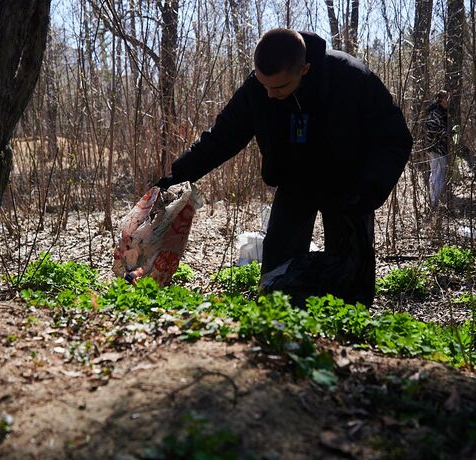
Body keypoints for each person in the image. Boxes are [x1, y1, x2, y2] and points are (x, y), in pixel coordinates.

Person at [156, 28, 412, 306]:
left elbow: (394, 138)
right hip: (295, 181)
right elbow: (221, 139)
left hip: (350, 186)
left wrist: (370, 190)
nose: (268, 94)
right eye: (262, 83)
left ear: (305, 69)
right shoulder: (259, 87)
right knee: (276, 277)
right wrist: (174, 178)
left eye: (278, 88)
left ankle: (345, 337)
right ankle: (280, 334)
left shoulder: (350, 79)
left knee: (350, 278)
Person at [424, 90, 449, 209]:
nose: (448, 101)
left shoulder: (442, 112)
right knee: (436, 174)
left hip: (440, 149)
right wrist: (447, 132)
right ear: (441, 100)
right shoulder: (435, 113)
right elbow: (433, 130)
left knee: (440, 174)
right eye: (446, 98)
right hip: (436, 150)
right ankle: (434, 202)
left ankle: (437, 202)